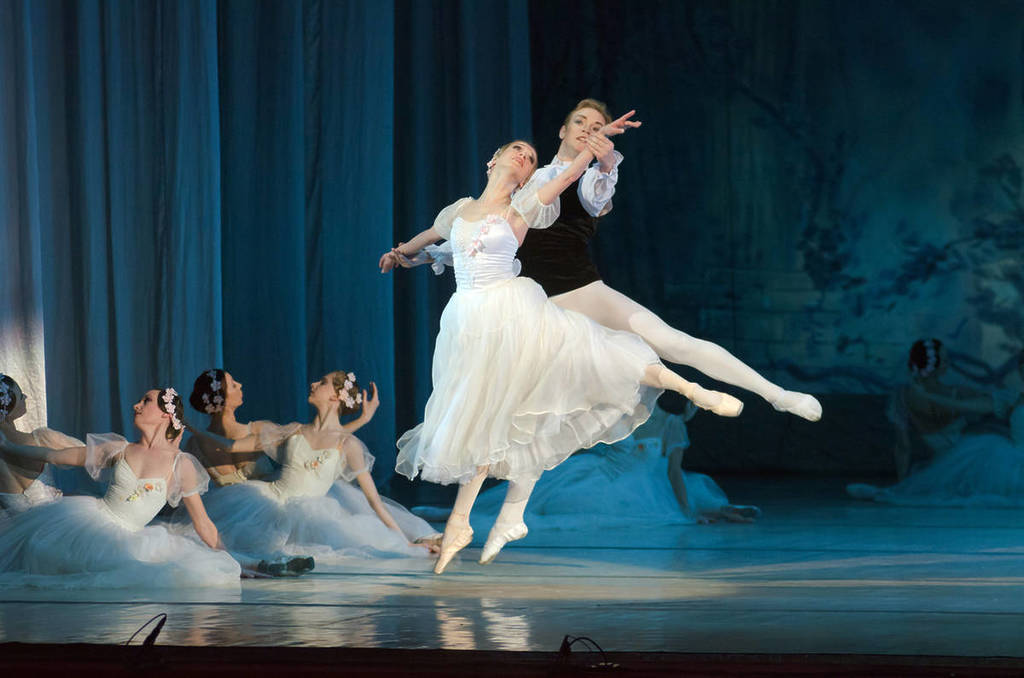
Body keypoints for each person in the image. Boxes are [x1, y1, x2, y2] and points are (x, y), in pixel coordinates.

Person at [382, 136, 744, 573]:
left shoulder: (522, 207)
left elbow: (570, 175)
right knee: (482, 418)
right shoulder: (459, 210)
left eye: (531, 157)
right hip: (467, 323)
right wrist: (400, 254)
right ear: (493, 159)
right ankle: (460, 525)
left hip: (513, 313)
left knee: (601, 354)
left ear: (527, 175)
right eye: (516, 150)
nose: (523, 156)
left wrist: (592, 148)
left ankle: (692, 389)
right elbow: (428, 238)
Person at [395, 100, 821, 423]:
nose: (588, 129)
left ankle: (776, 394)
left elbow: (596, 195)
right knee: (515, 405)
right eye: (581, 122)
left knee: (672, 342)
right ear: (563, 129)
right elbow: (484, 239)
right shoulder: (524, 177)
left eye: (597, 127)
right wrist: (425, 254)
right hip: (527, 305)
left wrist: (604, 161)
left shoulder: (590, 176)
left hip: (577, 290)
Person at [0, 388, 244, 588]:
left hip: (130, 539)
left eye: (146, 401)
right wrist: (9, 447)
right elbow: (54, 455)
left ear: (165, 414)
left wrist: (228, 560)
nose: (136, 405)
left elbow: (202, 522)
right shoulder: (119, 448)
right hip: (89, 524)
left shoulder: (180, 464)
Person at [186, 371, 440, 561]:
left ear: (335, 396)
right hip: (265, 502)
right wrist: (191, 427)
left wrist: (404, 543)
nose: (313, 384)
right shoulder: (293, 430)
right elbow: (232, 447)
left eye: (322, 382)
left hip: (310, 514)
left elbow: (373, 500)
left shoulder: (348, 444)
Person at [848, 350, 1024, 506]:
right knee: (959, 479)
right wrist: (928, 395)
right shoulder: (1011, 398)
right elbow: (963, 405)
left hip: (1015, 460)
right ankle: (893, 492)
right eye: (1022, 369)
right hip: (1011, 457)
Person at [0, 374, 82, 513]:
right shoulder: (41, 439)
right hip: (57, 522)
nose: (26, 397)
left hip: (14, 527)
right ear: (9, 408)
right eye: (21, 396)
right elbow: (90, 455)